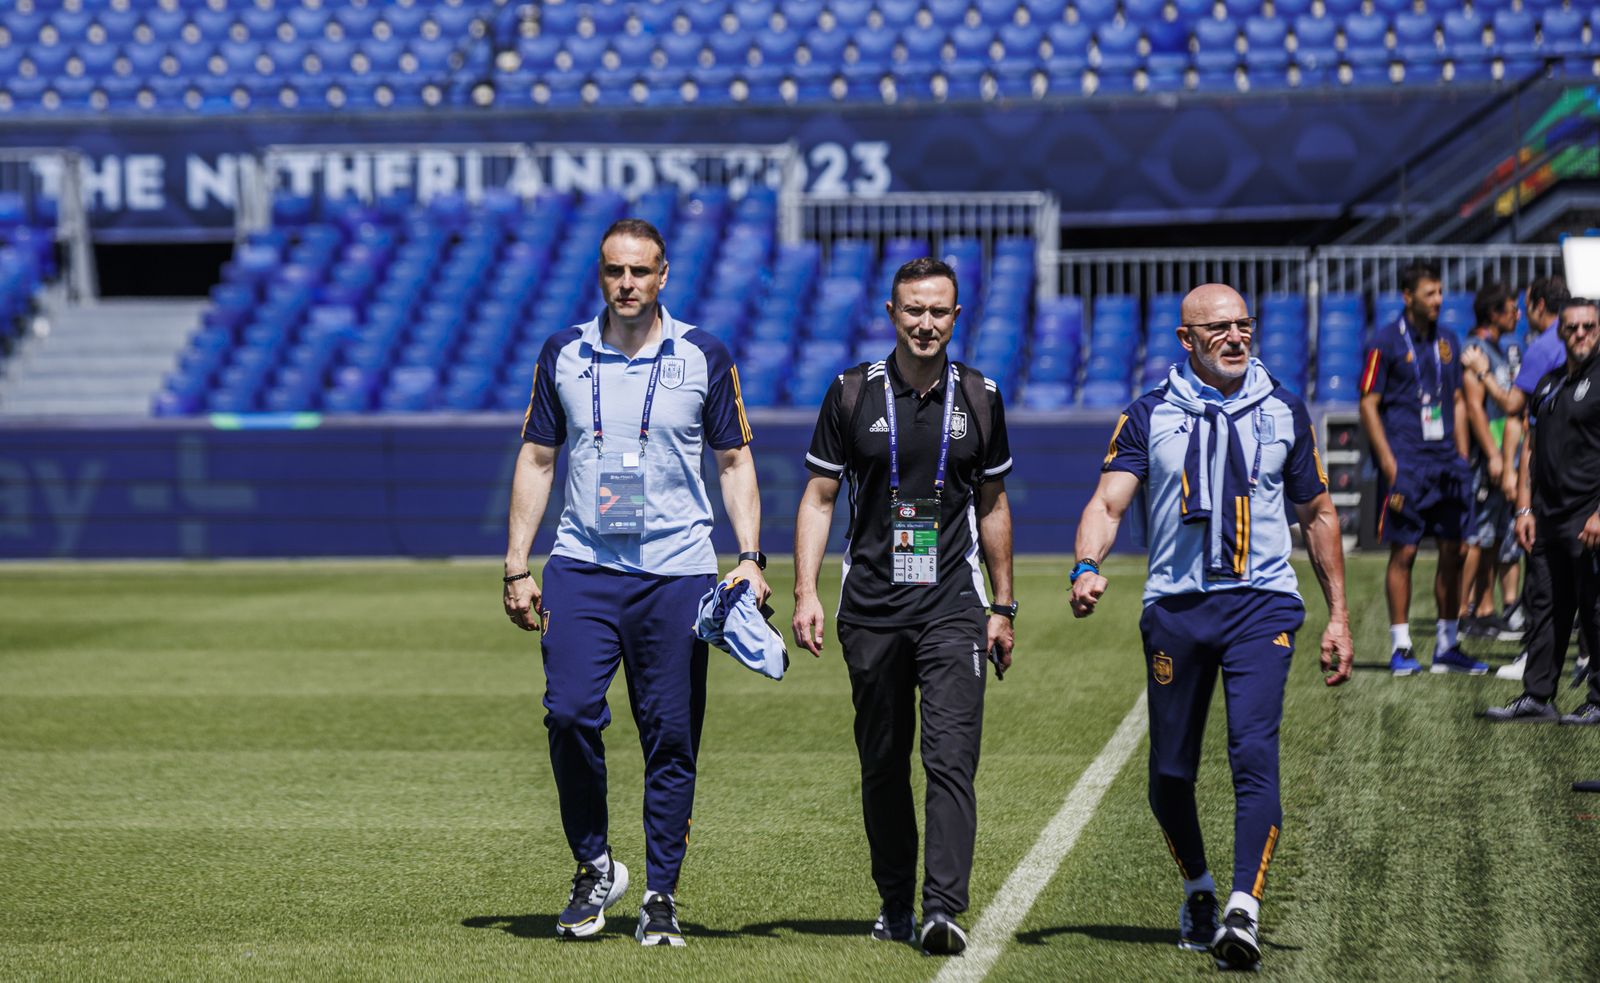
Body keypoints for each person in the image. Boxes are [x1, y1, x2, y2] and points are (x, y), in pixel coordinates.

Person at [1070, 284, 1352, 972]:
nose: (1235, 337)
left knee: (1253, 752)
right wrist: (1086, 565)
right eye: (1218, 327)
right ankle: (1198, 885)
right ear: (1186, 339)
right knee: (1170, 772)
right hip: (1177, 607)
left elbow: (1318, 514)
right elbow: (1107, 503)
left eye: (1243, 325)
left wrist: (1339, 616)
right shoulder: (1149, 413)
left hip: (1262, 604)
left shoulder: (1284, 407)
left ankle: (1242, 908)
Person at [502, 218, 768, 946]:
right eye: (614, 271)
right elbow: (537, 457)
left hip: (677, 572)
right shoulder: (563, 352)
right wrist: (516, 563)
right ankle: (595, 866)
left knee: (671, 737)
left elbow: (735, 461)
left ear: (663, 275)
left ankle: (660, 894)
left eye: (640, 271)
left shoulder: (703, 354)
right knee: (569, 713)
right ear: (600, 274)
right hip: (582, 566)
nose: (626, 284)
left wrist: (750, 557)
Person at [792, 257, 1016, 957]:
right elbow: (819, 498)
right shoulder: (851, 392)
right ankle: (894, 902)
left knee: (950, 757)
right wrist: (806, 591)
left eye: (938, 311)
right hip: (870, 607)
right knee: (884, 762)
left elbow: (993, 504)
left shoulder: (980, 396)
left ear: (956, 316)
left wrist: (1003, 605)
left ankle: (942, 907)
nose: (925, 323)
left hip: (953, 605)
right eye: (913, 310)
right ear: (891, 314)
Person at [1358, 261, 1486, 676]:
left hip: (1447, 464)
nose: (1438, 300)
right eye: (1430, 293)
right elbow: (1368, 404)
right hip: (1407, 464)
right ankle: (1401, 646)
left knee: (1455, 549)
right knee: (1406, 550)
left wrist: (1461, 455)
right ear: (1407, 296)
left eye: (1440, 292)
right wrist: (1388, 462)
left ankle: (1447, 646)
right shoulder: (1384, 343)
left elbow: (1459, 400)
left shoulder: (1448, 339)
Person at [1483, 298, 1600, 724]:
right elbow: (1530, 449)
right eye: (1572, 327)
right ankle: (1537, 696)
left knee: (1594, 610)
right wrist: (1523, 508)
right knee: (1544, 606)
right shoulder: (1548, 384)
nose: (1580, 334)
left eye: (1588, 326)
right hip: (1547, 517)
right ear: (1560, 332)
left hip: (1589, 517)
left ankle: (1599, 699)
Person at [1466, 276, 1571, 680]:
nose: (1521, 313)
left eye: (1524, 305)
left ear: (1540, 305)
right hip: (1573, 461)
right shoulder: (1576, 339)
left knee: (1539, 561)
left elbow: (1514, 406)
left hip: (1547, 461)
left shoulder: (1543, 345)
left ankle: (1536, 655)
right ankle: (1581, 656)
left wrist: (1483, 374)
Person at [1457, 282, 1523, 640]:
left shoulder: (1497, 350)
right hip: (1485, 460)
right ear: (1494, 313)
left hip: (1502, 457)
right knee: (1477, 537)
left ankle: (1484, 610)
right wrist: (1494, 455)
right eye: (1511, 308)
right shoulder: (1475, 350)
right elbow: (1474, 408)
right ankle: (1461, 613)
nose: (1517, 314)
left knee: (1493, 537)